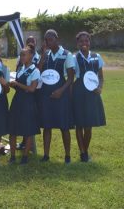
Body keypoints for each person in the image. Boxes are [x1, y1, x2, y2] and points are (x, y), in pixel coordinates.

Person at [38, 29, 75, 164]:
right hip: (46, 94)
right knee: (47, 126)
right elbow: (38, 71)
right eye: (46, 40)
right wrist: (43, 54)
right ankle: (46, 155)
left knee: (64, 126)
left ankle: (67, 155)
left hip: (61, 94)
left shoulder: (67, 55)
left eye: (51, 39)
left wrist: (60, 91)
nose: (48, 42)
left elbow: (71, 78)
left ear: (57, 39)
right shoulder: (45, 54)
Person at [72, 31, 106, 162]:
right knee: (79, 124)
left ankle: (85, 150)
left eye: (86, 41)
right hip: (79, 92)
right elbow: (70, 76)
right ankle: (83, 153)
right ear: (77, 43)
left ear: (89, 42)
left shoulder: (97, 56)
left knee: (89, 125)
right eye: (81, 41)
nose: (84, 43)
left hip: (92, 92)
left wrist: (100, 87)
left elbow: (101, 77)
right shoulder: (74, 58)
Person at [8, 44, 41, 165]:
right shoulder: (20, 68)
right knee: (13, 129)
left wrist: (17, 84)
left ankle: (25, 157)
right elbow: (21, 88)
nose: (21, 57)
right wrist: (13, 86)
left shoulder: (35, 70)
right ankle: (12, 156)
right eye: (20, 54)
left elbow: (32, 89)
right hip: (17, 100)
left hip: (28, 102)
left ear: (31, 55)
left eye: (24, 54)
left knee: (28, 131)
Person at [17, 36, 41, 151]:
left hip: (33, 94)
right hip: (21, 95)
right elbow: (18, 70)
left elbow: (32, 87)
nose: (31, 43)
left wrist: (18, 84)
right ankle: (24, 143)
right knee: (22, 120)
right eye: (28, 41)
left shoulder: (38, 57)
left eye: (33, 41)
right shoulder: (21, 59)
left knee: (30, 122)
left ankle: (30, 146)